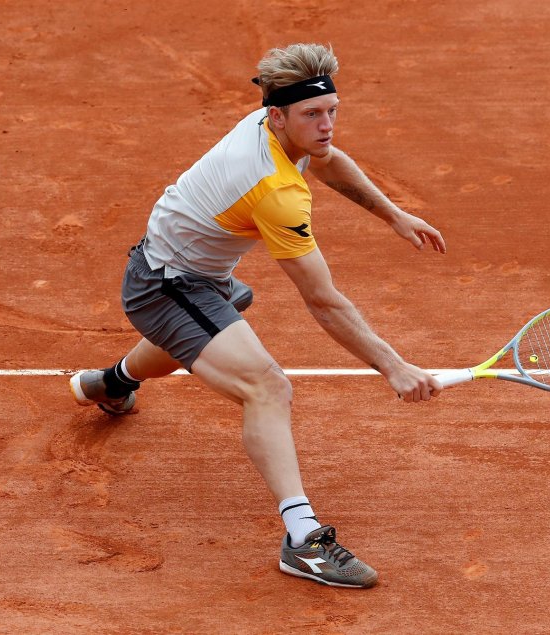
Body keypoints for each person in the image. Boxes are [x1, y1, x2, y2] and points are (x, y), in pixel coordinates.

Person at [69, 43, 446, 589]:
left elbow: (328, 160)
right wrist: (393, 366)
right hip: (163, 286)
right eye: (313, 115)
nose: (326, 125)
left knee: (218, 317)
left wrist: (392, 214)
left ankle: (112, 382)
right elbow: (323, 300)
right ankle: (303, 540)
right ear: (277, 117)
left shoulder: (274, 124)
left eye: (332, 111)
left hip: (195, 275)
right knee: (267, 387)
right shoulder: (274, 190)